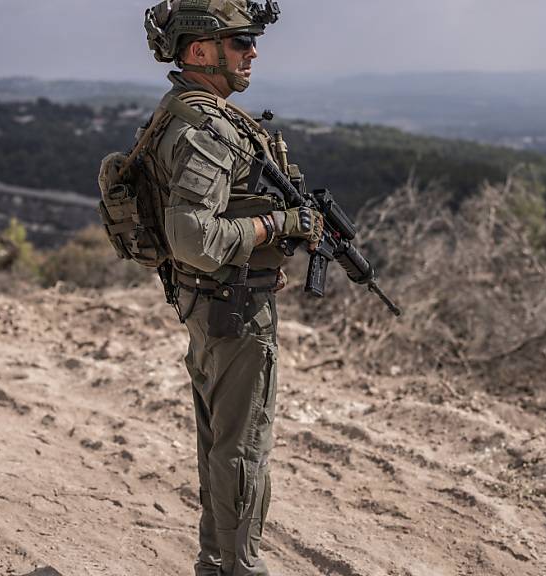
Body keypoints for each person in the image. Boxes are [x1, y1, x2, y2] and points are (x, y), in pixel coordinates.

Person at [136, 1, 321, 574]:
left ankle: (217, 561)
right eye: (240, 42)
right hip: (232, 311)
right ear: (199, 52)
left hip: (214, 303)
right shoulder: (204, 129)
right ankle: (240, 566)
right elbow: (193, 236)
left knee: (222, 442)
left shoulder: (189, 114)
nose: (253, 52)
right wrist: (279, 225)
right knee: (243, 447)